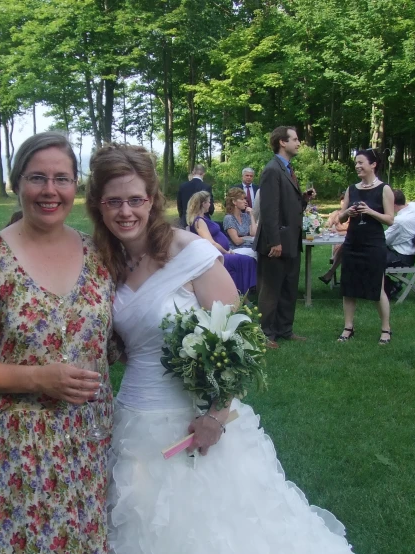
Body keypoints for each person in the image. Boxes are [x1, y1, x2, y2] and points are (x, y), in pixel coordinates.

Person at [85, 143, 355, 554]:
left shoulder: (189, 253)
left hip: (197, 424)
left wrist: (215, 415)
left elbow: (240, 340)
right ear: (98, 205)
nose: (126, 211)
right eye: (114, 201)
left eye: (136, 199)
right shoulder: (104, 262)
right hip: (131, 422)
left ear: (153, 200)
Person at [0, 132, 116, 554]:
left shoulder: (97, 256)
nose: (50, 190)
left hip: (87, 446)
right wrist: (39, 378)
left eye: (63, 178)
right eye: (38, 178)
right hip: (15, 455)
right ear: (18, 183)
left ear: (77, 186)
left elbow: (110, 340)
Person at [253, 126, 315, 349]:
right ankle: (265, 333)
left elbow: (288, 205)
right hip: (276, 242)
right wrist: (274, 241)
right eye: (295, 139)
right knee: (270, 289)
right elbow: (269, 210)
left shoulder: (287, 169)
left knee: (289, 287)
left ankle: (284, 329)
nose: (299, 143)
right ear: (282, 142)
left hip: (291, 240)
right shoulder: (272, 170)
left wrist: (304, 199)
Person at [337, 148, 395, 344]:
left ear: (373, 165)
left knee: (376, 286)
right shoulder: (352, 189)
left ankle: (386, 329)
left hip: (373, 243)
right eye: (356, 163)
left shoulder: (384, 189)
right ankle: (348, 328)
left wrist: (370, 211)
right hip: (353, 242)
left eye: (361, 162)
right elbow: (341, 216)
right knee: (349, 286)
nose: (357, 166)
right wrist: (348, 213)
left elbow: (390, 219)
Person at [187, 190, 257, 294]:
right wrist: (226, 251)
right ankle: (243, 293)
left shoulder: (204, 218)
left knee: (245, 261)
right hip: (218, 254)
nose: (210, 204)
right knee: (247, 260)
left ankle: (243, 294)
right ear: (203, 204)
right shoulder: (199, 221)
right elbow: (211, 242)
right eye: (209, 202)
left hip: (223, 252)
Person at [318, 193, 350, 284]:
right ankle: (331, 274)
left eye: (345, 201)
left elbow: (353, 231)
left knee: (344, 247)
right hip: (339, 244)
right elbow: (327, 224)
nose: (343, 203)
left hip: (351, 244)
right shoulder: (335, 213)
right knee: (342, 247)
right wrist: (327, 226)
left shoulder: (353, 215)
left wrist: (338, 232)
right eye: (342, 201)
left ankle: (330, 273)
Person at [222, 187, 258, 259]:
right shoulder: (229, 218)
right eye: (242, 199)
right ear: (234, 202)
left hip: (250, 247)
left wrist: (251, 215)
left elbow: (253, 233)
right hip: (237, 250)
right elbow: (237, 241)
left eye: (245, 199)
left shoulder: (245, 216)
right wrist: (249, 238)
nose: (245, 201)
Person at [176, 164, 213, 228]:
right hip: (203, 221)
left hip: (186, 220)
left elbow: (179, 204)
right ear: (203, 174)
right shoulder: (206, 187)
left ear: (193, 172)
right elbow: (210, 207)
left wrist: (182, 216)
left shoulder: (183, 186)